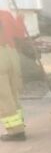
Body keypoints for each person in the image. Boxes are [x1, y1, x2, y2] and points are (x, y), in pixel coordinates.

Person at [0, 11, 26, 141]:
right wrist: (20, 19)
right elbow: (20, 34)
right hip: (12, 54)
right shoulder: (5, 14)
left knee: (4, 98)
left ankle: (16, 132)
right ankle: (19, 125)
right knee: (13, 93)